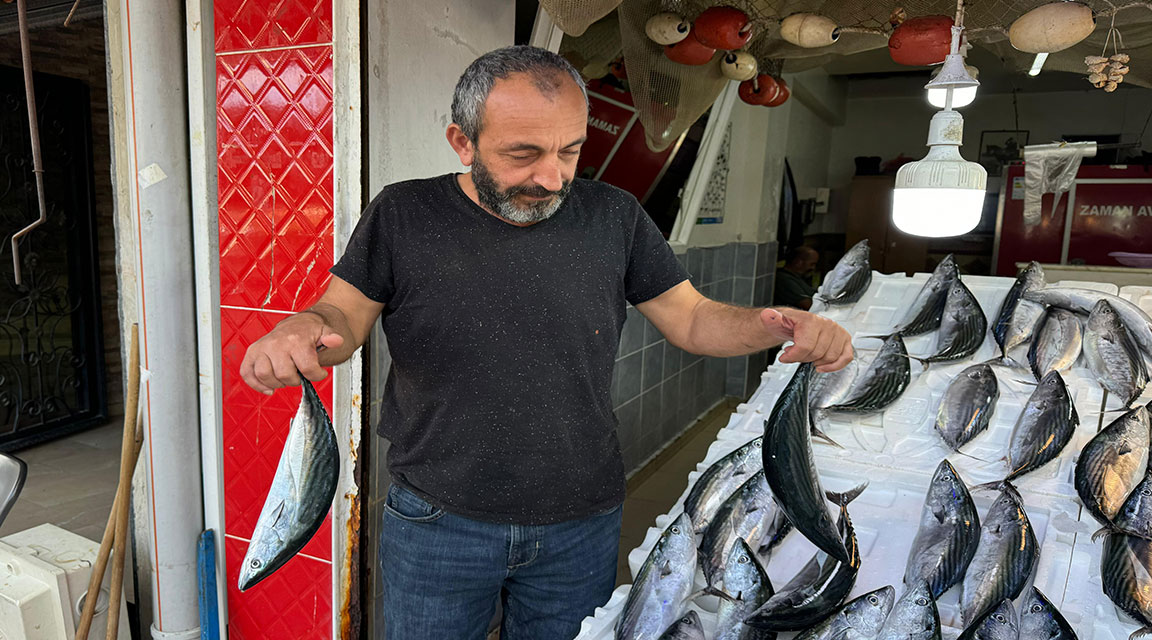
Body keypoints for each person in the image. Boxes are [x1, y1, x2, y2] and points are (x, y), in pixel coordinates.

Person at [239, 46, 854, 640]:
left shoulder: (614, 215)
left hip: (580, 521)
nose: (552, 177)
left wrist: (775, 323)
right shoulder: (404, 212)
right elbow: (342, 319)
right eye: (523, 154)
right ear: (462, 142)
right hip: (438, 517)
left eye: (570, 151)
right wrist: (305, 328)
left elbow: (692, 319)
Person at [774, 245, 820, 310]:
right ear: (798, 262)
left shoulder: (798, 276)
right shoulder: (784, 279)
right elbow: (808, 305)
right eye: (811, 264)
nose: (813, 268)